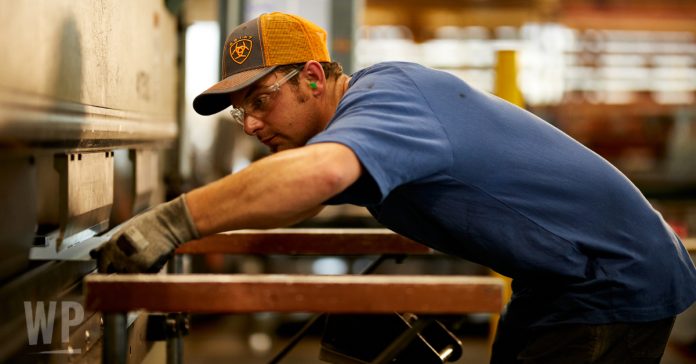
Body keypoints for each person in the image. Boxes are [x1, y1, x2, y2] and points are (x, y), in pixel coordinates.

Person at [92, 12, 696, 363]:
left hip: (610, 277)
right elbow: (296, 192)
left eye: (260, 100)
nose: (250, 124)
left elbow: (320, 175)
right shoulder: (359, 120)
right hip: (556, 280)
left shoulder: (385, 100)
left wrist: (167, 224)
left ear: (310, 77)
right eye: (238, 112)